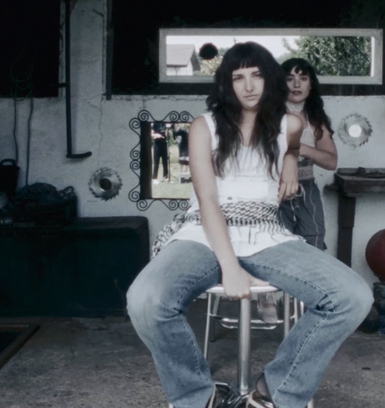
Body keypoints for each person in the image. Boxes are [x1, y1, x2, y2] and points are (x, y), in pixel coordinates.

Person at [127, 42, 372, 408]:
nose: (249, 86)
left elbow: (292, 146)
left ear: (270, 78)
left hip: (266, 234)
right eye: (238, 77)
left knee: (353, 296)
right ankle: (198, 396)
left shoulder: (291, 124)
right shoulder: (204, 127)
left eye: (257, 75)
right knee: (145, 301)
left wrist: (290, 160)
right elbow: (207, 200)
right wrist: (231, 268)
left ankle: (275, 392)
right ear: (226, 84)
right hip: (204, 233)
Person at [277, 58, 337, 251]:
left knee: (314, 241)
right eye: (290, 79)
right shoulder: (269, 115)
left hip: (307, 189)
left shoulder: (316, 118)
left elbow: (331, 162)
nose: (296, 84)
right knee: (277, 243)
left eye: (303, 78)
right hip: (274, 187)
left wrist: (299, 147)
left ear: (310, 84)